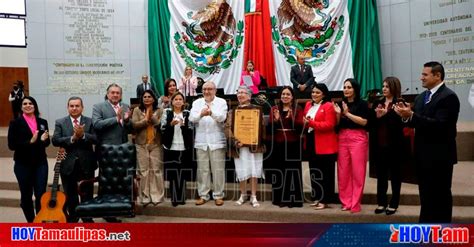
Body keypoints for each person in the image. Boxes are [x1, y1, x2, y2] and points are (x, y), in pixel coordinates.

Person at [395, 61, 460, 223]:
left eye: (425, 74)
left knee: (441, 195)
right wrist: (405, 116)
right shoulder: (420, 97)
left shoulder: (449, 97)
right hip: (422, 156)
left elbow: (441, 126)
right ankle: (426, 227)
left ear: (437, 76)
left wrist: (412, 115)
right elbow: (415, 122)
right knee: (426, 195)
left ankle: (442, 231)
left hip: (440, 157)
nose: (421, 78)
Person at [52, 96, 97, 223]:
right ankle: (73, 218)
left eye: (77, 106)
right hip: (67, 164)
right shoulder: (60, 122)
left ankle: (87, 218)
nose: (74, 108)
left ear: (82, 107)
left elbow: (96, 138)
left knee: (87, 194)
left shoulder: (90, 121)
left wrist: (83, 135)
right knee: (70, 194)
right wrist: (72, 138)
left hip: (86, 163)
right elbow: (55, 140)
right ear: (68, 108)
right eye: (71, 106)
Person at [92, 83, 132, 222]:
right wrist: (116, 119)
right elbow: (96, 124)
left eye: (118, 93)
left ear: (121, 95)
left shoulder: (126, 106)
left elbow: (129, 127)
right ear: (108, 94)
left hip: (122, 150)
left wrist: (127, 121)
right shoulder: (99, 107)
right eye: (112, 92)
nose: (115, 95)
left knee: (121, 179)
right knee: (106, 181)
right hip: (106, 150)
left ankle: (120, 207)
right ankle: (107, 211)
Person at [7, 96, 50, 222]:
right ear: (21, 107)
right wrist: (30, 142)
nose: (28, 105)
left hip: (40, 163)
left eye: (30, 103)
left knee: (41, 194)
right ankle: (31, 222)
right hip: (22, 164)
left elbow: (47, 143)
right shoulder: (15, 123)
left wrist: (43, 140)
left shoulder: (42, 122)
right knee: (26, 196)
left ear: (34, 106)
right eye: (24, 103)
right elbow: (12, 145)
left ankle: (40, 221)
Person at [225, 85, 265, 208]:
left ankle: (253, 196)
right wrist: (235, 141)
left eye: (243, 92)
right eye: (239, 92)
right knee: (241, 170)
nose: (240, 95)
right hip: (239, 147)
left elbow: (261, 127)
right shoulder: (232, 111)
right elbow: (227, 128)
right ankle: (243, 194)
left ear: (249, 95)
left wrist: (254, 139)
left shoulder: (257, 110)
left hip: (254, 146)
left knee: (254, 170)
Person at [334, 78, 369, 213]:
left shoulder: (362, 104)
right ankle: (346, 201)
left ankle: (355, 203)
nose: (346, 90)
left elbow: (364, 122)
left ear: (355, 89)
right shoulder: (339, 103)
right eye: (344, 87)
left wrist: (347, 113)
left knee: (358, 171)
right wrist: (338, 114)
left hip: (358, 138)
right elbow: (337, 125)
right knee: (343, 172)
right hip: (342, 137)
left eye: (349, 87)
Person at [189, 81, 228, 206]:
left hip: (217, 141)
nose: (207, 91)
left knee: (218, 170)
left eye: (210, 89)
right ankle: (203, 195)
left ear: (215, 90)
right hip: (201, 142)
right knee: (203, 170)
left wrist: (211, 113)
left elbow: (222, 117)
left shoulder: (221, 102)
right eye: (204, 89)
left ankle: (218, 195)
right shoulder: (197, 103)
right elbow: (191, 118)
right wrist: (201, 114)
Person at [369, 77, 404, 215]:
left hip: (395, 145)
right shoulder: (378, 103)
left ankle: (394, 203)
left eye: (387, 87)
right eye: (383, 86)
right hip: (379, 145)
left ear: (394, 88)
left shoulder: (400, 103)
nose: (384, 89)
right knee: (381, 176)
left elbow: (401, 124)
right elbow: (371, 123)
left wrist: (386, 115)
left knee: (395, 176)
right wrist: (377, 117)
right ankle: (381, 202)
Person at [303, 83, 338, 210]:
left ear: (324, 94)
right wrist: (306, 123)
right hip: (311, 141)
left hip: (325, 144)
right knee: (314, 172)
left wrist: (311, 123)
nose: (314, 94)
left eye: (317, 92)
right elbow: (306, 121)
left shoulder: (328, 106)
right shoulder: (308, 105)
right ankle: (317, 197)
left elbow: (329, 125)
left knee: (326, 174)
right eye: (313, 92)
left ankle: (325, 199)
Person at [268, 86, 304, 208]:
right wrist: (277, 120)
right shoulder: (274, 109)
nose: (285, 96)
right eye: (283, 94)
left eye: (288, 94)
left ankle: (293, 199)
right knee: (279, 172)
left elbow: (300, 127)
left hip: (293, 144)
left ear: (292, 96)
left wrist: (292, 118)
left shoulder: (298, 109)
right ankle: (280, 198)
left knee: (292, 172)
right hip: (278, 144)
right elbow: (270, 128)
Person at [131, 90, 164, 207]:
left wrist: (153, 117)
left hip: (156, 143)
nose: (147, 98)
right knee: (143, 171)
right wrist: (145, 120)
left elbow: (161, 125)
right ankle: (145, 196)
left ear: (153, 99)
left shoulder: (160, 110)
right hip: (141, 144)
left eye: (149, 96)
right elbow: (134, 125)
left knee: (156, 170)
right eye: (144, 97)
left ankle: (156, 196)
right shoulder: (137, 110)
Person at [161, 92, 193, 207]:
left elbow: (191, 129)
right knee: (173, 174)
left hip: (184, 147)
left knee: (182, 173)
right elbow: (162, 127)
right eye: (176, 99)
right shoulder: (167, 112)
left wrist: (184, 125)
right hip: (171, 147)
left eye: (180, 99)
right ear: (172, 101)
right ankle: (174, 197)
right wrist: (170, 124)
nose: (178, 101)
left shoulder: (187, 113)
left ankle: (182, 196)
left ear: (183, 102)